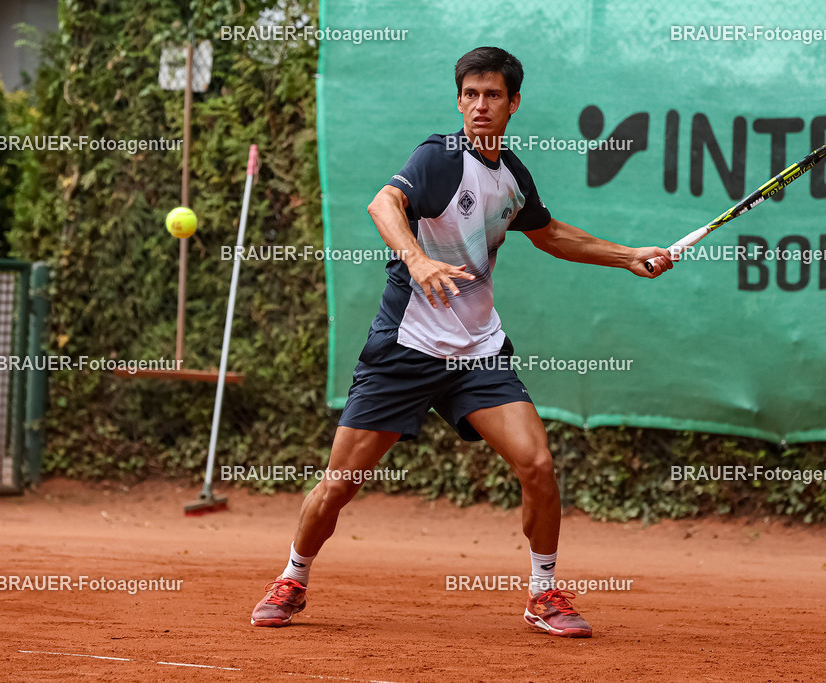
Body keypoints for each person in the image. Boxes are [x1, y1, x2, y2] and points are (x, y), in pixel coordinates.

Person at [251, 46, 673, 638]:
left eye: (493, 95)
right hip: (406, 348)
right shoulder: (438, 157)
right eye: (470, 94)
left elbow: (548, 233)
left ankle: (543, 591)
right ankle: (293, 576)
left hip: (477, 353)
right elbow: (384, 203)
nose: (480, 105)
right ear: (458, 101)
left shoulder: (512, 175)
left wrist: (630, 256)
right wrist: (417, 259)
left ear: (513, 103)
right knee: (341, 482)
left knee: (538, 464)